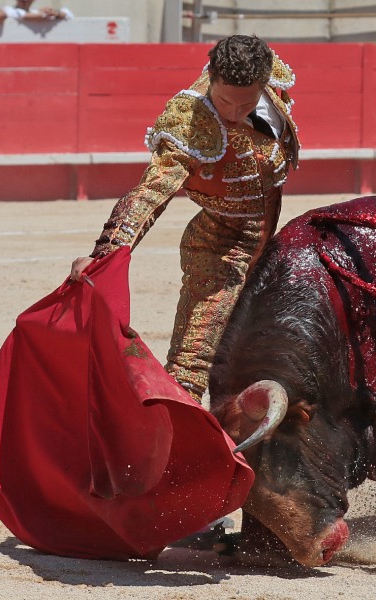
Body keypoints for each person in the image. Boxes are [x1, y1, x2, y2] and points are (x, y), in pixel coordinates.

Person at [70, 35, 300, 403]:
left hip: (269, 245)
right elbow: (150, 193)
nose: (233, 113)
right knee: (192, 363)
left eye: (246, 104)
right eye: (224, 101)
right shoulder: (189, 121)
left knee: (264, 349)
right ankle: (174, 433)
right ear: (211, 78)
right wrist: (104, 255)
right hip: (218, 246)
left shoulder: (269, 85)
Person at [2, 0, 73, 21]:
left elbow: (69, 14)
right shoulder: (7, 10)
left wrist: (54, 13)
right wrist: (42, 15)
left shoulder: (35, 12)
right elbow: (17, 14)